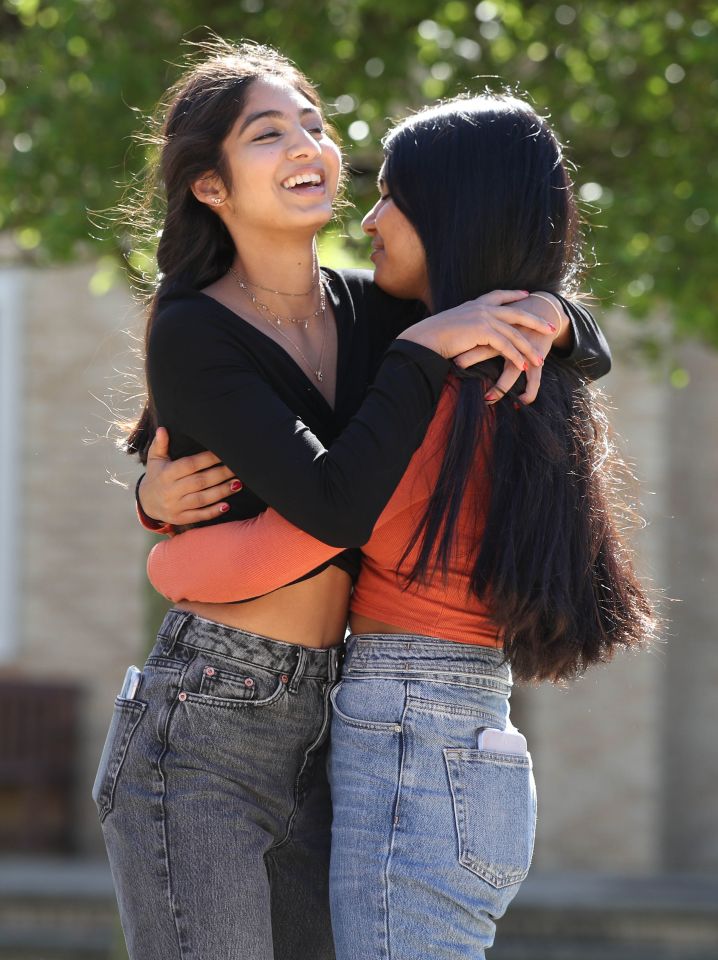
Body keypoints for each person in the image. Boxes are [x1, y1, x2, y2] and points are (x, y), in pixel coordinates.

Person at [92, 37, 609, 960]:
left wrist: (564, 321)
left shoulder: (379, 308)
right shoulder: (194, 330)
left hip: (331, 726)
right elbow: (334, 505)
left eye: (315, 125)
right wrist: (153, 508)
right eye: (267, 134)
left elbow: (527, 311)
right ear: (211, 186)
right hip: (208, 717)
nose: (309, 145)